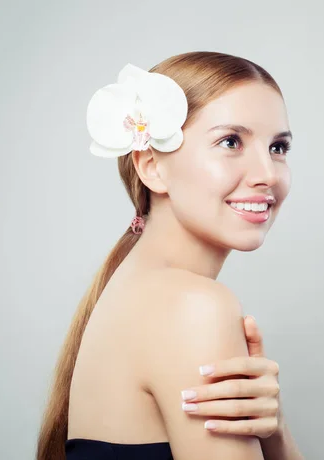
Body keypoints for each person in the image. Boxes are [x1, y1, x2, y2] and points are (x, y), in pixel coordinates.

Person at [36, 51, 304, 460]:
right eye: (230, 141)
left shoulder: (130, 288)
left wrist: (276, 431)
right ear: (151, 167)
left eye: (278, 147)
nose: (267, 173)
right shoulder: (193, 307)